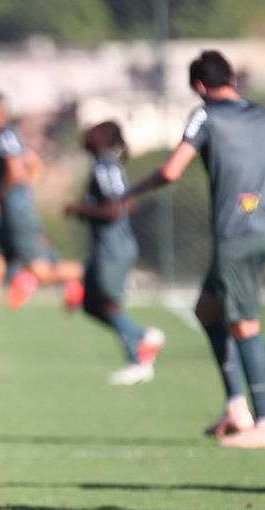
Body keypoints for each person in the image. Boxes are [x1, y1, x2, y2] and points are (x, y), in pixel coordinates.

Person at [126, 50, 265, 449]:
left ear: (199, 86)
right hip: (261, 229)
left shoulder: (205, 115)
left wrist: (133, 191)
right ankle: (236, 406)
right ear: (231, 78)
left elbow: (172, 170)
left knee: (245, 324)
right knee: (208, 310)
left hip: (237, 233)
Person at [0, 92, 84, 357]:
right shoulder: (4, 136)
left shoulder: (2, 135)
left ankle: (89, 272)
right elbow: (33, 166)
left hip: (16, 214)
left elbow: (18, 171)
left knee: (42, 273)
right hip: (10, 211)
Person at [63, 121, 165, 385]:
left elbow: (114, 209)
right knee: (90, 304)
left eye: (93, 131)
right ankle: (140, 337)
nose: (86, 134)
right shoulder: (104, 165)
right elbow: (126, 203)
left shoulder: (105, 167)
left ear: (103, 138)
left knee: (108, 304)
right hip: (105, 247)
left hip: (113, 249)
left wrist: (80, 210)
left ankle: (138, 355)